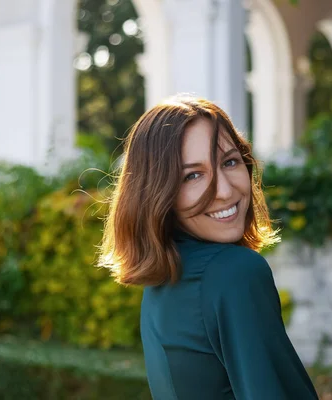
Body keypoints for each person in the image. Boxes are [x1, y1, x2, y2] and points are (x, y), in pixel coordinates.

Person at [98, 95, 319, 399]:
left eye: (229, 161)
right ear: (158, 193)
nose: (225, 191)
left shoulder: (167, 278)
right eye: (193, 175)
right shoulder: (234, 272)